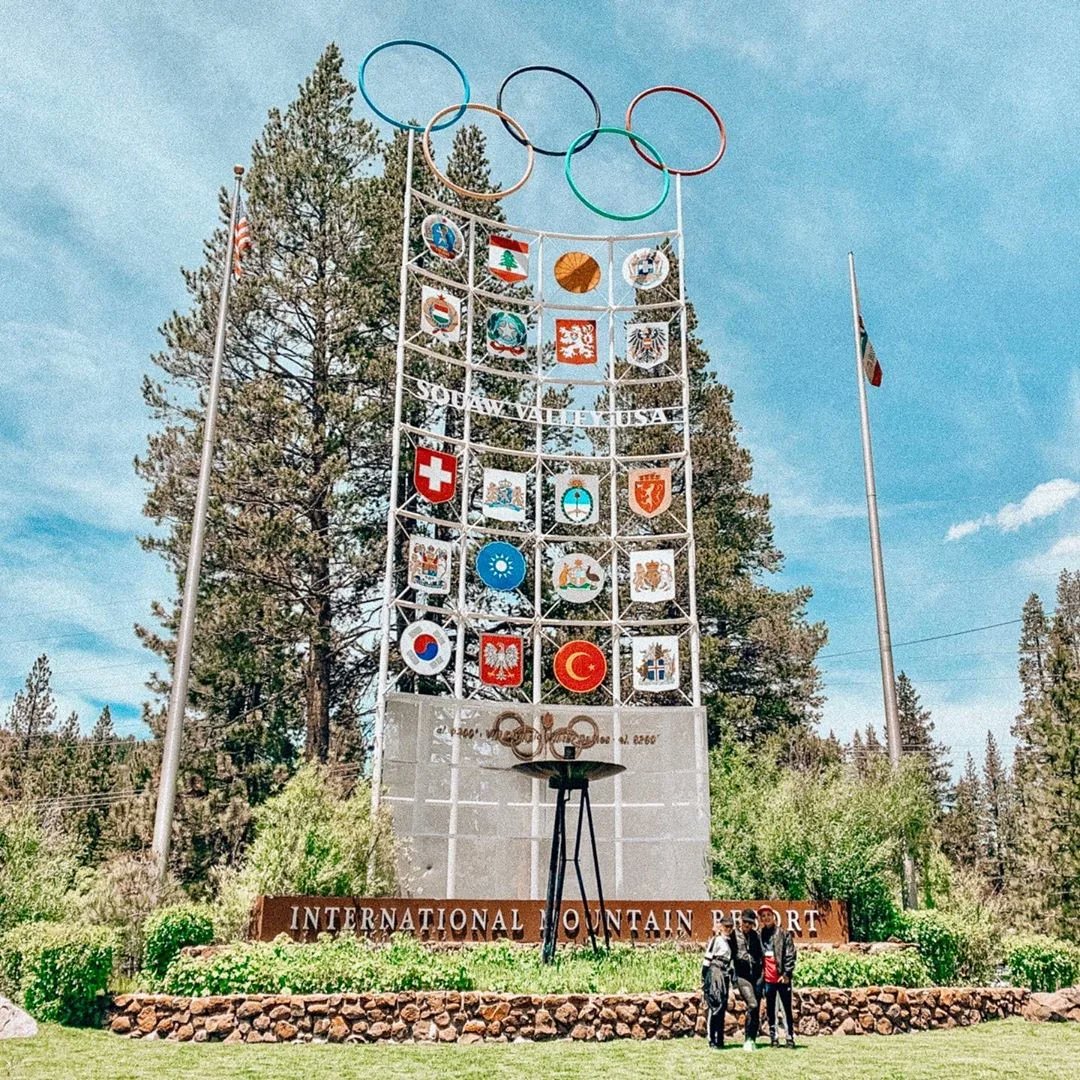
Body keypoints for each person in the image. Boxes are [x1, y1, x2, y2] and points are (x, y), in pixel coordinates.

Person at [758, 904, 797, 1048]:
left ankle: (789, 1038)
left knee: (786, 1010)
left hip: (782, 978)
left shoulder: (783, 934)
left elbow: (790, 954)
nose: (766, 918)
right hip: (768, 980)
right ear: (761, 919)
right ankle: (774, 1038)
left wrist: (786, 973)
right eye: (763, 916)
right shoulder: (760, 935)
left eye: (768, 915)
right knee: (771, 1010)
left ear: (773, 917)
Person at [732, 908, 764, 1051]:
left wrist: (762, 976)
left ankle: (752, 1039)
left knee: (756, 1009)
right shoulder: (733, 935)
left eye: (750, 923)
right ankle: (747, 1040)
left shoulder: (755, 936)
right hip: (742, 976)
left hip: (756, 977)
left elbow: (762, 956)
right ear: (740, 920)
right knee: (752, 1004)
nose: (747, 925)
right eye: (745, 922)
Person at [701, 915, 734, 1049]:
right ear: (720, 927)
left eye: (730, 927)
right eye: (726, 926)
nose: (728, 929)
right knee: (715, 1005)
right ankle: (712, 1039)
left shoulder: (729, 942)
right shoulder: (716, 940)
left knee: (722, 1005)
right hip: (715, 970)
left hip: (725, 972)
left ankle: (720, 1039)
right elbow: (707, 958)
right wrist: (704, 977)